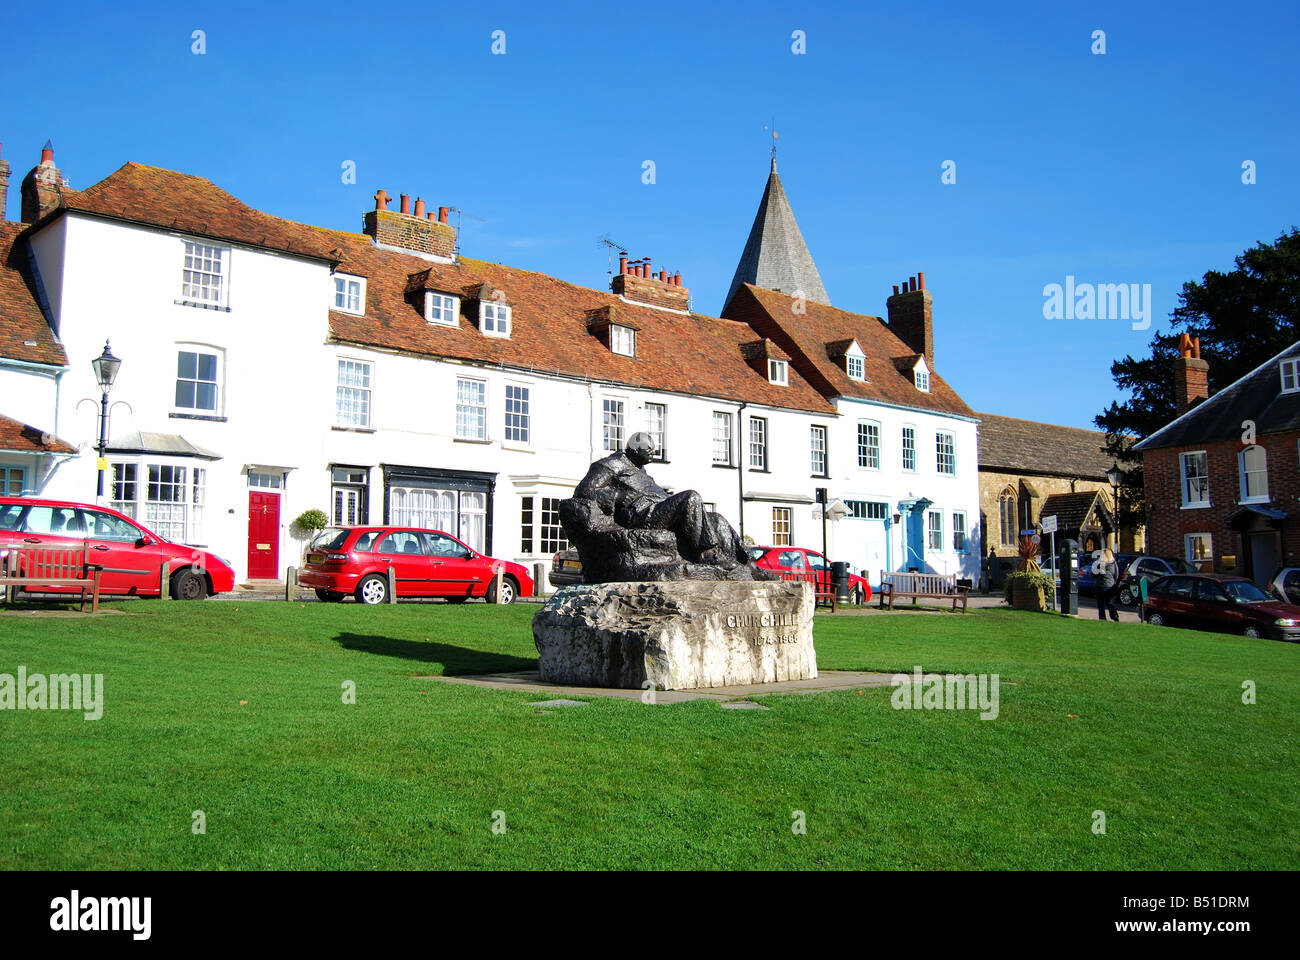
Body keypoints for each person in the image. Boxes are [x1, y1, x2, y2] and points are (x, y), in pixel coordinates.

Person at [572, 432, 751, 568]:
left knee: (716, 519)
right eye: (648, 450)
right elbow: (584, 490)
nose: (654, 453)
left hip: (658, 509)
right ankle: (706, 554)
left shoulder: (639, 469)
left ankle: (744, 561)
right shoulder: (612, 464)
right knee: (690, 497)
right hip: (642, 514)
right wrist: (616, 497)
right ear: (635, 449)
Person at [1092, 548, 1120, 621]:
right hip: (1110, 586)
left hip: (1100, 586)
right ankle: (1114, 616)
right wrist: (1113, 582)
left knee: (1101, 604)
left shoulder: (1099, 563)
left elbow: (1093, 574)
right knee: (1110, 602)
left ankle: (1102, 618)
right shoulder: (1114, 563)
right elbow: (1116, 575)